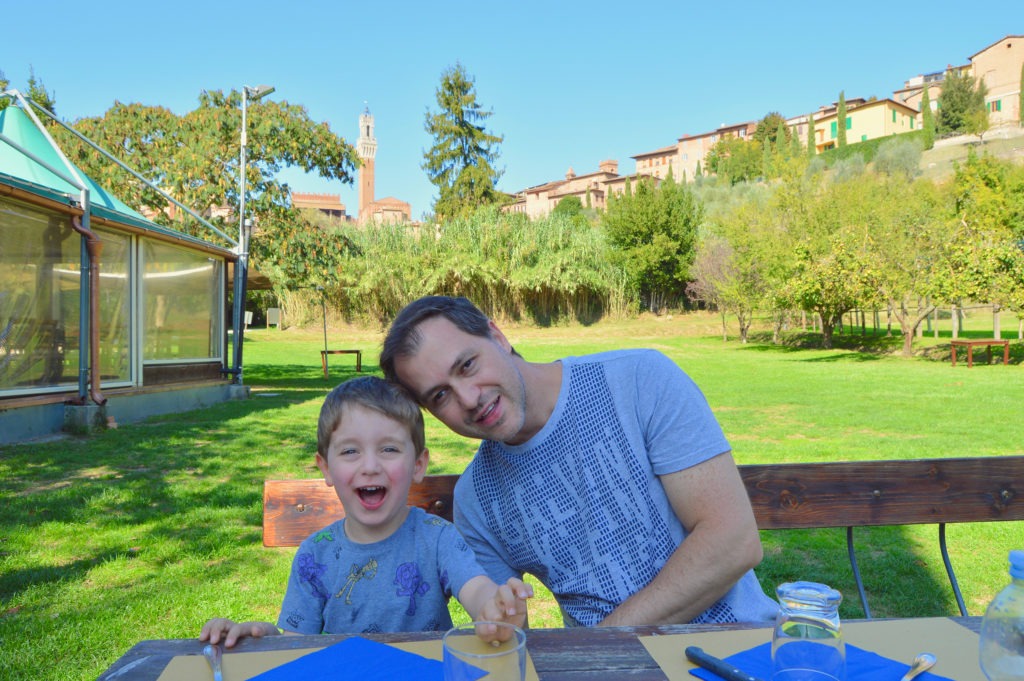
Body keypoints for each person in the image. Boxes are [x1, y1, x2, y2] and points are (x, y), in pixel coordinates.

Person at [380, 296, 778, 628]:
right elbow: (506, 629)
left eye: (467, 365)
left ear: (497, 336)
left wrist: (599, 649)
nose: (468, 398)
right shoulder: (476, 499)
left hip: (734, 649)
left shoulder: (639, 381)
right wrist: (500, 617)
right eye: (440, 396)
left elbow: (734, 542)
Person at [200, 376, 532, 647]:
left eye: (389, 449)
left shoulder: (438, 538)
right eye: (350, 451)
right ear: (326, 468)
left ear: (418, 465)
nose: (370, 466)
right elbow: (296, 645)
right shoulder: (315, 554)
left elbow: (475, 589)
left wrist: (494, 606)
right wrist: (259, 637)